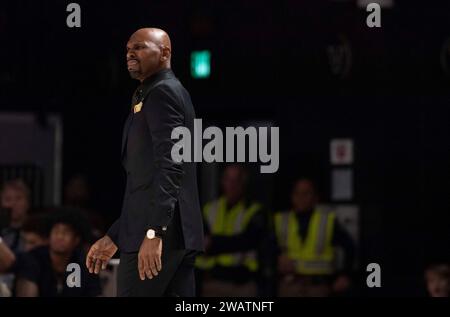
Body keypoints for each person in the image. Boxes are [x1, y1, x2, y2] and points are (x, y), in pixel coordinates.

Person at [86, 28, 204, 297]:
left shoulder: (163, 93)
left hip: (157, 236)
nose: (130, 53)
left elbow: (172, 167)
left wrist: (154, 233)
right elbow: (145, 181)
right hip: (168, 233)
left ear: (164, 53)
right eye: (128, 48)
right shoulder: (153, 93)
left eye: (139, 47)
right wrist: (115, 236)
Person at [195, 165, 273, 296]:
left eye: (236, 180)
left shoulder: (254, 211)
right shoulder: (210, 209)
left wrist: (214, 242)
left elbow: (248, 240)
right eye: (228, 179)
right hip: (212, 282)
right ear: (222, 182)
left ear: (244, 183)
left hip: (242, 283)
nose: (232, 185)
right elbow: (201, 241)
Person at [274, 178, 355, 297]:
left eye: (306, 193)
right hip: (289, 285)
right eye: (297, 193)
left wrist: (345, 275)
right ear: (292, 196)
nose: (301, 197)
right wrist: (277, 257)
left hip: (317, 287)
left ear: (315, 197)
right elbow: (267, 246)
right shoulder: (281, 220)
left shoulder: (327, 220)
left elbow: (350, 247)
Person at [15, 209, 101, 297]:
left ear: (76, 240)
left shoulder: (84, 264)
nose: (60, 237)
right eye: (56, 231)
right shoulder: (33, 258)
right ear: (49, 236)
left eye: (66, 232)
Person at [0, 179, 31, 254]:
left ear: (27, 202)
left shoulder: (36, 231)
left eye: (18, 198)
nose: (13, 204)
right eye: (8, 199)